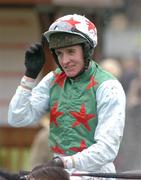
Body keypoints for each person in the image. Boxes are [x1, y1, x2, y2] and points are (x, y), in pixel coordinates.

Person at [8, 14, 126, 179]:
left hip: (95, 174)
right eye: (59, 53)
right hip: (60, 172)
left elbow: (107, 149)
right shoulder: (52, 79)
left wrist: (65, 163)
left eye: (71, 52)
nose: (65, 60)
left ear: (87, 50)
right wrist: (29, 77)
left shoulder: (109, 87)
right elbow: (17, 117)